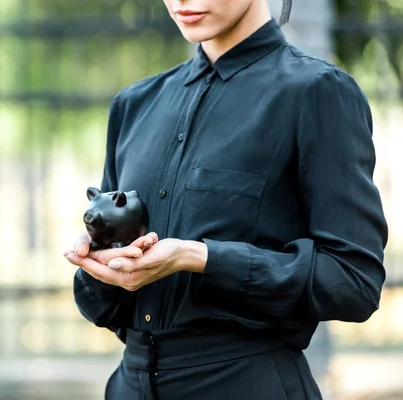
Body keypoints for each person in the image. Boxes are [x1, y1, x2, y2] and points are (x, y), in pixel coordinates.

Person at [63, 0, 388, 398]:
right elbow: (107, 307)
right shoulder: (135, 104)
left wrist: (200, 258)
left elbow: (352, 282)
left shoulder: (316, 92)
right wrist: (99, 268)